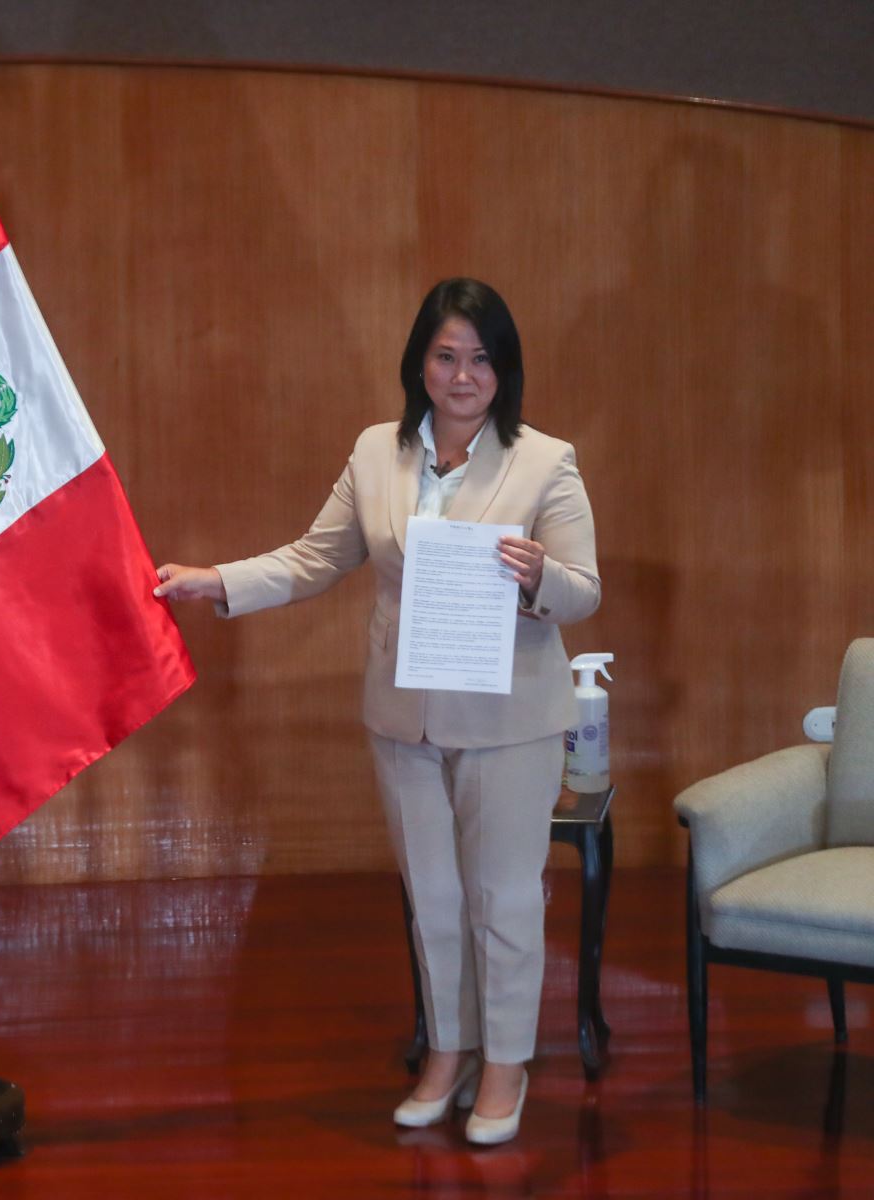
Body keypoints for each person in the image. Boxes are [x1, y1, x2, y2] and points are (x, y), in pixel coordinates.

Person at [154, 278, 599, 1145]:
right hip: (404, 717)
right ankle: (449, 1051)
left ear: (504, 370)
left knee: (503, 897)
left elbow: (583, 592)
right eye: (446, 356)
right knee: (432, 896)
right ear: (419, 364)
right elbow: (316, 558)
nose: (462, 374)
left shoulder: (548, 461)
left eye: (481, 358)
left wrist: (538, 573)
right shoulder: (375, 454)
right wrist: (218, 583)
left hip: (511, 720)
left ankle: (506, 1065)